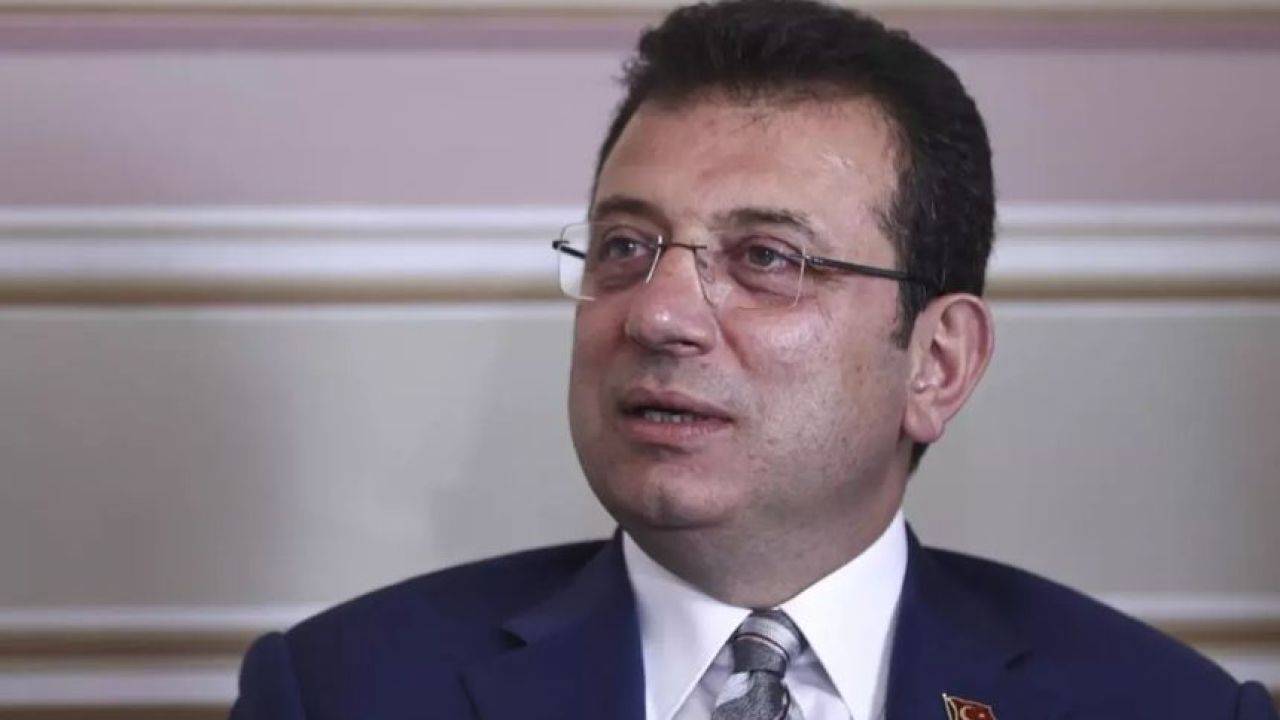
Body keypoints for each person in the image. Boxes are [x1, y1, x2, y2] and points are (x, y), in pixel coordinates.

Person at [230, 1, 1277, 718]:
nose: (658, 316)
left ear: (936, 363)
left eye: (766, 258)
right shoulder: (341, 692)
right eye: (624, 247)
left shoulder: (1160, 708)